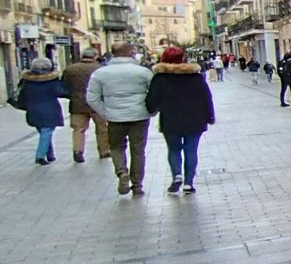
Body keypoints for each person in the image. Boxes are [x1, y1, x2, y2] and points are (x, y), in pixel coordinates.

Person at [87, 42, 154, 196]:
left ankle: (122, 172)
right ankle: (137, 185)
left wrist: (106, 112)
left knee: (116, 147)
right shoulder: (142, 72)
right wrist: (150, 111)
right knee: (138, 150)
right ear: (131, 52)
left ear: (112, 53)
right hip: (139, 116)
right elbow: (154, 93)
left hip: (114, 118)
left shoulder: (100, 73)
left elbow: (91, 98)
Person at [147, 46, 215, 194]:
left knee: (174, 149)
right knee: (191, 149)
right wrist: (210, 116)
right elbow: (206, 98)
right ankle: (188, 183)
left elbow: (152, 100)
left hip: (171, 119)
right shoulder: (196, 76)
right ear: (183, 58)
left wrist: (152, 109)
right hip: (195, 118)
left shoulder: (160, 78)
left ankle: (177, 175)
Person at [61, 48, 110, 163]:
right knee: (102, 129)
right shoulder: (101, 69)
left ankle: (78, 151)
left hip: (77, 103)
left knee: (78, 129)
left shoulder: (70, 69)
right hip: (97, 103)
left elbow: (64, 86)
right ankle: (104, 151)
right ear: (95, 56)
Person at [16, 58, 68, 165]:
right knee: (46, 132)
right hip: (49, 109)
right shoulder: (52, 81)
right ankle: (40, 156)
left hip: (33, 110)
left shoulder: (26, 81)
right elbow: (61, 92)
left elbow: (22, 94)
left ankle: (50, 155)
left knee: (44, 132)